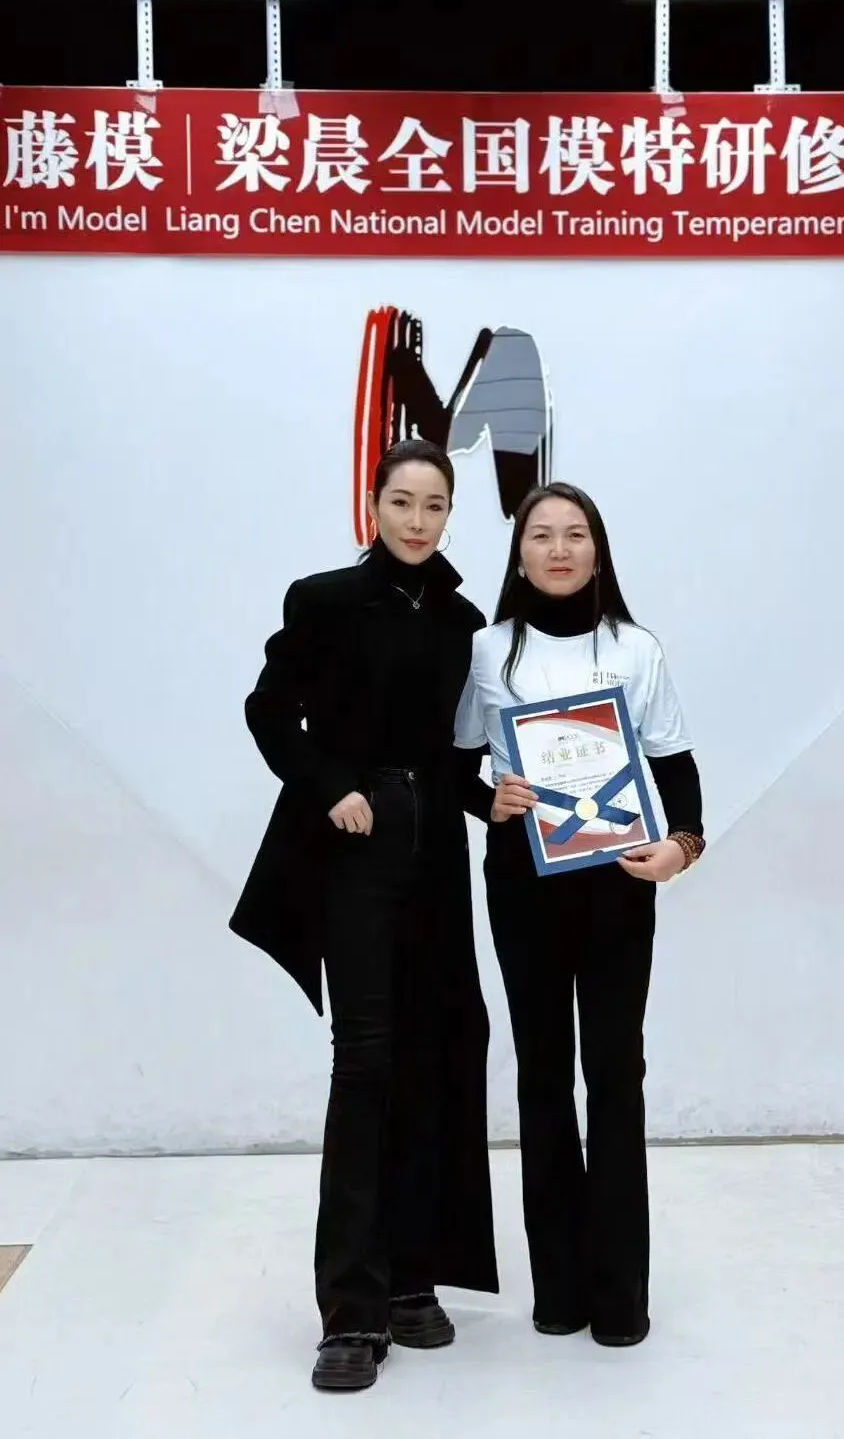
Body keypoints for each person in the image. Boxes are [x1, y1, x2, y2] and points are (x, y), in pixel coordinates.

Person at [230, 439, 499, 1392]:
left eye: (435, 506)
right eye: (403, 502)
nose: (418, 521)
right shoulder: (324, 600)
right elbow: (269, 711)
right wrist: (330, 787)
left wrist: (498, 804)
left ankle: (411, 1279)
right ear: (372, 506)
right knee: (367, 1059)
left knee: (435, 1050)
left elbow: (457, 757)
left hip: (436, 855)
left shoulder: (464, 621)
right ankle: (350, 1311)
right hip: (353, 848)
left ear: (449, 514)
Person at [454, 482, 705, 1348]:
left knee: (614, 1073)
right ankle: (557, 1289)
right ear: (518, 554)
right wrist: (489, 799)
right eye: (541, 535)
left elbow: (675, 766)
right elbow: (452, 762)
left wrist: (680, 847)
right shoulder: (489, 650)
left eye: (574, 534)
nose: (558, 549)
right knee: (541, 1076)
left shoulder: (635, 649)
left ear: (598, 551)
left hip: (616, 882)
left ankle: (620, 1295)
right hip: (522, 881)